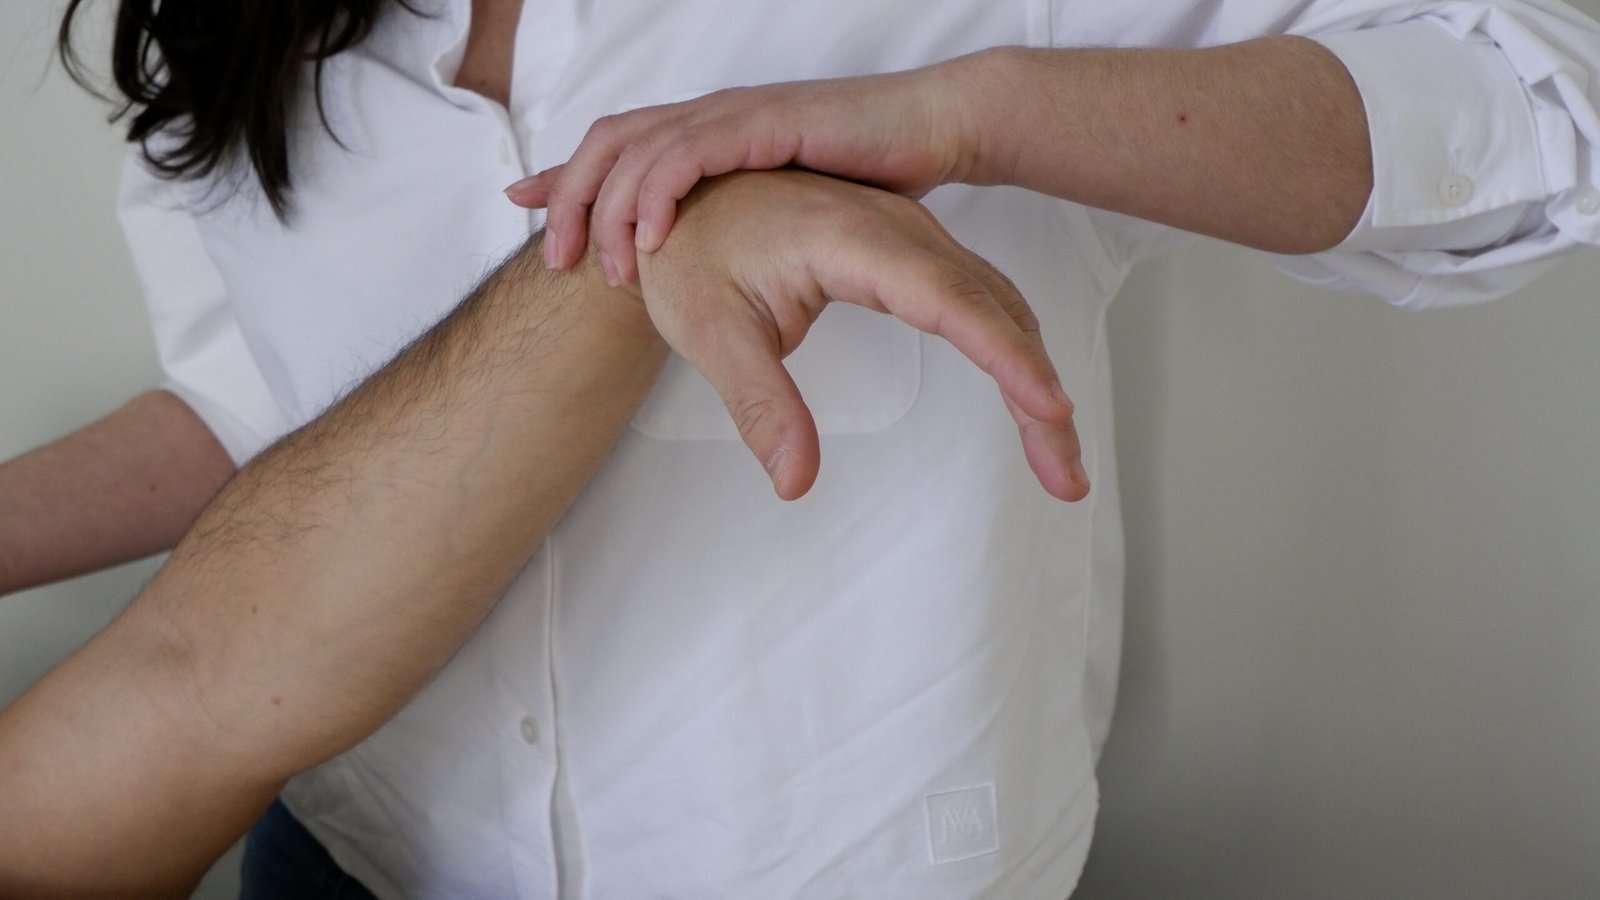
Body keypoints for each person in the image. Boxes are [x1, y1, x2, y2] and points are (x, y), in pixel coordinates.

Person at [2, 0, 1598, 897]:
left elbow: (1543, 102)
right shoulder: (232, 21)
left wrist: (972, 114)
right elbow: (270, 418)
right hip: (342, 856)